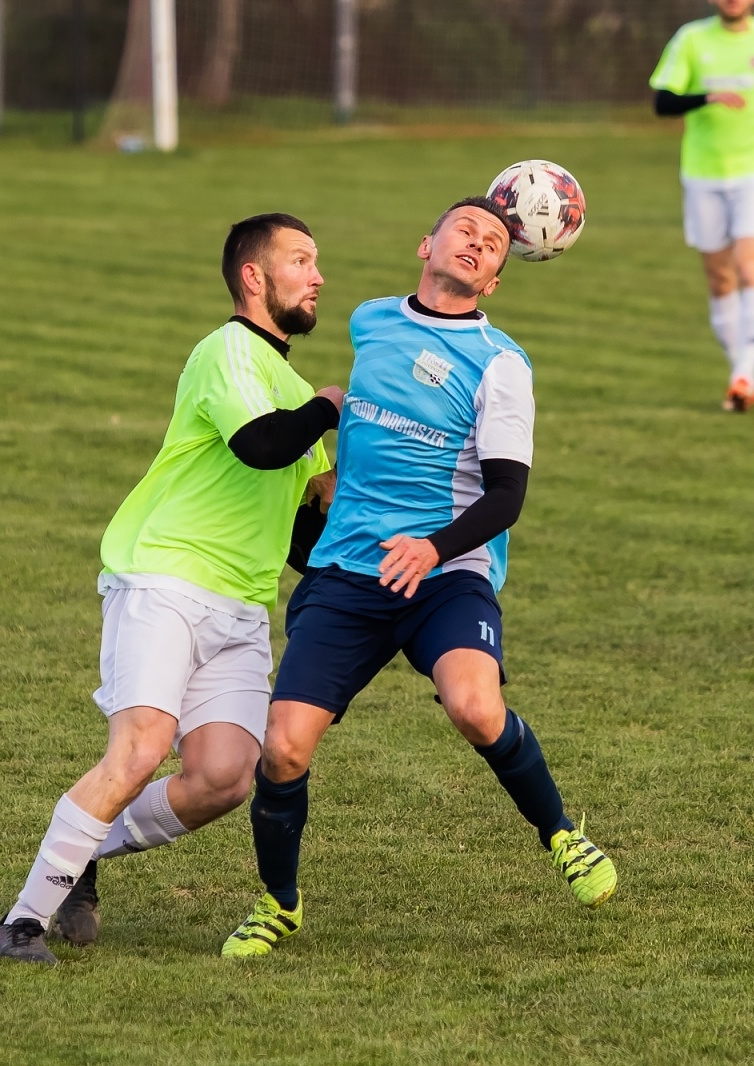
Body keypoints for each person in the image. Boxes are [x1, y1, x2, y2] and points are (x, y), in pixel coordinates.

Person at [218, 198, 617, 960]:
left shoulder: (501, 365)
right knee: (282, 751)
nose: (476, 242)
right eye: (464, 229)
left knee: (474, 706)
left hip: (447, 573)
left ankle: (562, 834)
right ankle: (279, 902)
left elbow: (507, 496)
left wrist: (435, 549)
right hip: (347, 575)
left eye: (494, 243)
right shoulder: (369, 320)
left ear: (497, 279)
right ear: (425, 244)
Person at [0, 213, 343, 964]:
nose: (317, 277)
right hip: (165, 579)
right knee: (141, 751)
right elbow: (258, 446)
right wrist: (331, 409)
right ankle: (22, 922)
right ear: (255, 277)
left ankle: (81, 851)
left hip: (242, 607)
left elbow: (306, 546)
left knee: (223, 778)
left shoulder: (296, 393)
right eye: (301, 261)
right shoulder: (230, 354)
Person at [650, 0, 754, 413]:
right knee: (720, 277)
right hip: (703, 172)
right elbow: (662, 101)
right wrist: (707, 96)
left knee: (749, 264)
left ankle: (744, 373)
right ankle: (743, 374)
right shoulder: (691, 38)